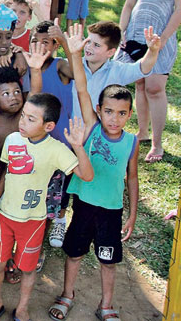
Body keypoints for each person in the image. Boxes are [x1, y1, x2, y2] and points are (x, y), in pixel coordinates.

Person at [47, 24, 145, 321]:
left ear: (130, 114)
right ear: (99, 110)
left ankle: (106, 304)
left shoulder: (131, 142)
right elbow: (80, 87)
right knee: (74, 254)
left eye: (122, 113)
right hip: (85, 206)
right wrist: (74, 52)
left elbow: (132, 177)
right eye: (109, 112)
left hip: (112, 211)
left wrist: (132, 213)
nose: (114, 119)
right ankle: (67, 294)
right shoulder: (90, 127)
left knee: (108, 260)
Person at [0, 92, 94, 321]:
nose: (23, 122)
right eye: (23, 116)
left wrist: (77, 146)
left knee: (28, 269)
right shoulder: (13, 140)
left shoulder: (56, 149)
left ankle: (22, 308)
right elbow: (7, 172)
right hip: (4, 216)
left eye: (31, 119)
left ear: (49, 125)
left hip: (33, 221)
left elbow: (87, 175)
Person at [116, 0, 181, 163]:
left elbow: (180, 8)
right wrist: (121, 30)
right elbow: (129, 3)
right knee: (140, 85)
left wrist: (163, 39)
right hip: (136, 33)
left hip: (161, 36)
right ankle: (142, 132)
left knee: (155, 87)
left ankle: (157, 143)